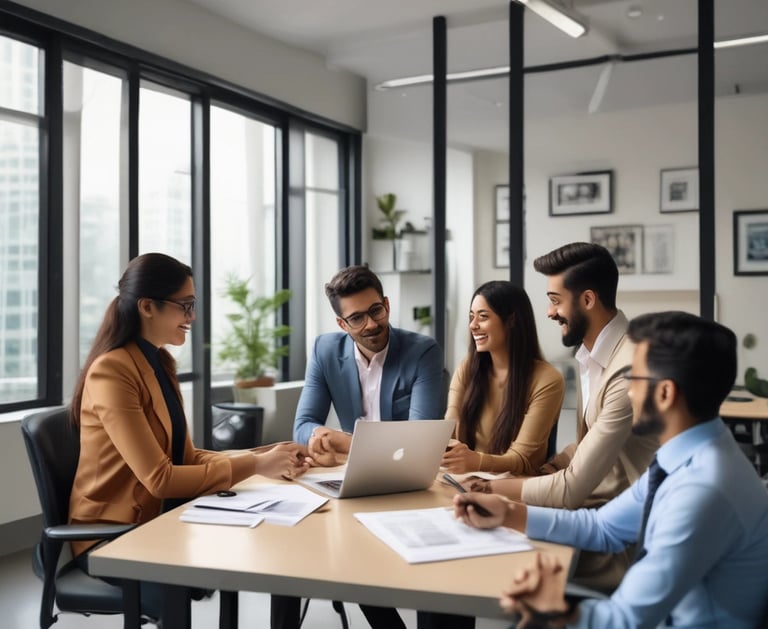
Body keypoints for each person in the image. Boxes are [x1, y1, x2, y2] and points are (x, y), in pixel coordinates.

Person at [454, 311, 768, 628]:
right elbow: (604, 527)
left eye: (635, 379)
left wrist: (556, 610)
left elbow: (626, 621)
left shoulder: (702, 490)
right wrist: (508, 513)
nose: (628, 392)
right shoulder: (687, 455)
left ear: (665, 393)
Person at [68, 253, 309, 619]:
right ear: (147, 307)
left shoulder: (159, 363)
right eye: (185, 306)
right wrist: (257, 465)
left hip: (156, 520)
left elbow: (187, 457)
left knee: (253, 549)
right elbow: (160, 479)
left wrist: (266, 455)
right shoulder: (112, 371)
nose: (192, 317)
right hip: (112, 536)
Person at [470, 242, 657, 592]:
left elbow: (570, 489)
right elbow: (587, 444)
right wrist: (549, 468)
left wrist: (490, 487)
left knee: (484, 553)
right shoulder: (594, 354)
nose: (549, 312)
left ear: (587, 300)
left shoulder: (627, 369)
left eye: (555, 301)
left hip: (622, 540)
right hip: (594, 512)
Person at [273, 264, 446, 629]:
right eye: (356, 318)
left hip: (410, 487)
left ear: (386, 304)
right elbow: (303, 425)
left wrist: (345, 442)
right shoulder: (324, 350)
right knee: (291, 552)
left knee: (427, 574)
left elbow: (419, 439)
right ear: (342, 324)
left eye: (376, 311)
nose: (370, 324)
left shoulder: (422, 352)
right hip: (351, 486)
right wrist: (322, 439)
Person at [441, 280, 564, 475]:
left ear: (511, 320)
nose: (473, 325)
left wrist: (476, 461)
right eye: (471, 317)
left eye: (483, 317)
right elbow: (451, 426)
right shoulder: (467, 368)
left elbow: (521, 459)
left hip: (516, 485)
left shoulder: (547, 380)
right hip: (466, 479)